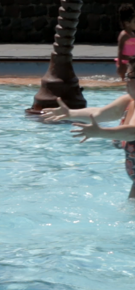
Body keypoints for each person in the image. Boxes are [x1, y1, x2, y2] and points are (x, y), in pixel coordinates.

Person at [43, 60, 135, 198]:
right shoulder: (129, 101)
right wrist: (70, 113)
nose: (125, 80)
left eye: (129, 76)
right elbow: (99, 114)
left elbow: (132, 132)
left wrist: (101, 133)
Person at [115, 4, 135, 80]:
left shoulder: (132, 34)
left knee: (131, 80)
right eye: (134, 22)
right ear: (127, 23)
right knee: (123, 81)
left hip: (132, 62)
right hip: (124, 62)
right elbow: (120, 51)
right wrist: (119, 65)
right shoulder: (124, 35)